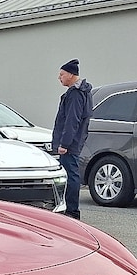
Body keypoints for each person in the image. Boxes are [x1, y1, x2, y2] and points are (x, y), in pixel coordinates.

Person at [52, 59, 93, 220]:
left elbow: (72, 120)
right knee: (70, 173)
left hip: (70, 144)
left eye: (62, 74)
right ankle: (70, 209)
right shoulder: (82, 91)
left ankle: (71, 211)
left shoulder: (75, 93)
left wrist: (64, 143)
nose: (59, 77)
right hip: (74, 141)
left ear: (71, 74)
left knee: (69, 175)